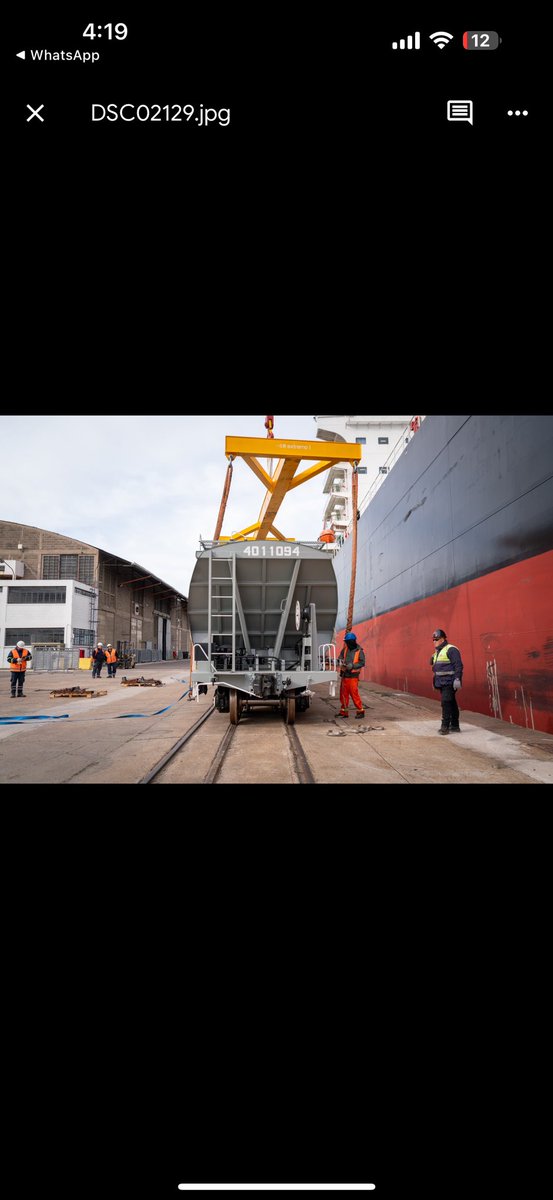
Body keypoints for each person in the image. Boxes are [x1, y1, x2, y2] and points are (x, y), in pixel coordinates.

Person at [430, 629, 463, 734]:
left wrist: (457, 679)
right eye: (433, 639)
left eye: (436, 639)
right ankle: (455, 726)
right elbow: (436, 668)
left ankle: (445, 726)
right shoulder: (438, 651)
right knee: (451, 703)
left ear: (443, 639)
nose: (434, 641)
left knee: (445, 703)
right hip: (442, 682)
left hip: (450, 682)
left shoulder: (451, 649)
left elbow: (458, 665)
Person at [337, 630, 365, 719]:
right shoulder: (345, 649)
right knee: (343, 695)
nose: (347, 644)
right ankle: (344, 712)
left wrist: (352, 666)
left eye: (347, 642)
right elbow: (340, 658)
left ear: (352, 641)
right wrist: (340, 662)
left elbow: (362, 663)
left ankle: (360, 711)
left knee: (354, 694)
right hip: (345, 676)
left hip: (353, 677)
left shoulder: (359, 651)